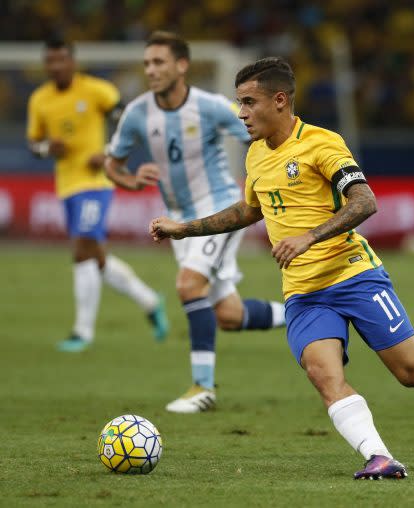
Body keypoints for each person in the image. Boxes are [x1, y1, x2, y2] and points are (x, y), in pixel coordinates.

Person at [148, 56, 414, 478]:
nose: (242, 113)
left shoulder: (322, 143)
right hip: (304, 294)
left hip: (354, 275)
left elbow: (365, 201)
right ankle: (380, 457)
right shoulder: (255, 156)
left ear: (281, 100)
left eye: (249, 102)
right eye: (239, 103)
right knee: (324, 374)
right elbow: (249, 211)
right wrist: (186, 229)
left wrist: (308, 237)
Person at [105, 32, 285, 414]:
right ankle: (305, 309)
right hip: (179, 222)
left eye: (159, 62)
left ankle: (203, 388)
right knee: (229, 316)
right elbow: (112, 164)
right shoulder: (138, 113)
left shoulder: (212, 107)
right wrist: (131, 180)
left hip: (218, 208)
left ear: (181, 65)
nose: (151, 70)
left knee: (188, 284)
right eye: (147, 63)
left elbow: (269, 136)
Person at [26, 38, 169, 353]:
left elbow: (129, 123)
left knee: (81, 249)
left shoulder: (96, 90)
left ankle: (82, 332)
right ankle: (149, 301)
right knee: (96, 258)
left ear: (72, 61)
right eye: (50, 61)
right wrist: (48, 148)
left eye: (61, 59)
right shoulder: (40, 99)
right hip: (67, 185)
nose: (56, 66)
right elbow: (33, 145)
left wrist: (106, 152)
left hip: (96, 182)